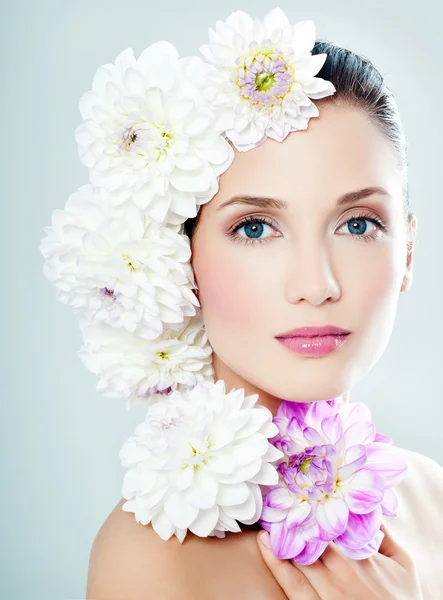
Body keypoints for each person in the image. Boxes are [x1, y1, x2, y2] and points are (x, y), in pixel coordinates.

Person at [39, 8, 443, 599]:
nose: (316, 283)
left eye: (357, 224)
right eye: (255, 228)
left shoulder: (432, 497)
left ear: (407, 252)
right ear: (180, 259)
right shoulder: (152, 561)